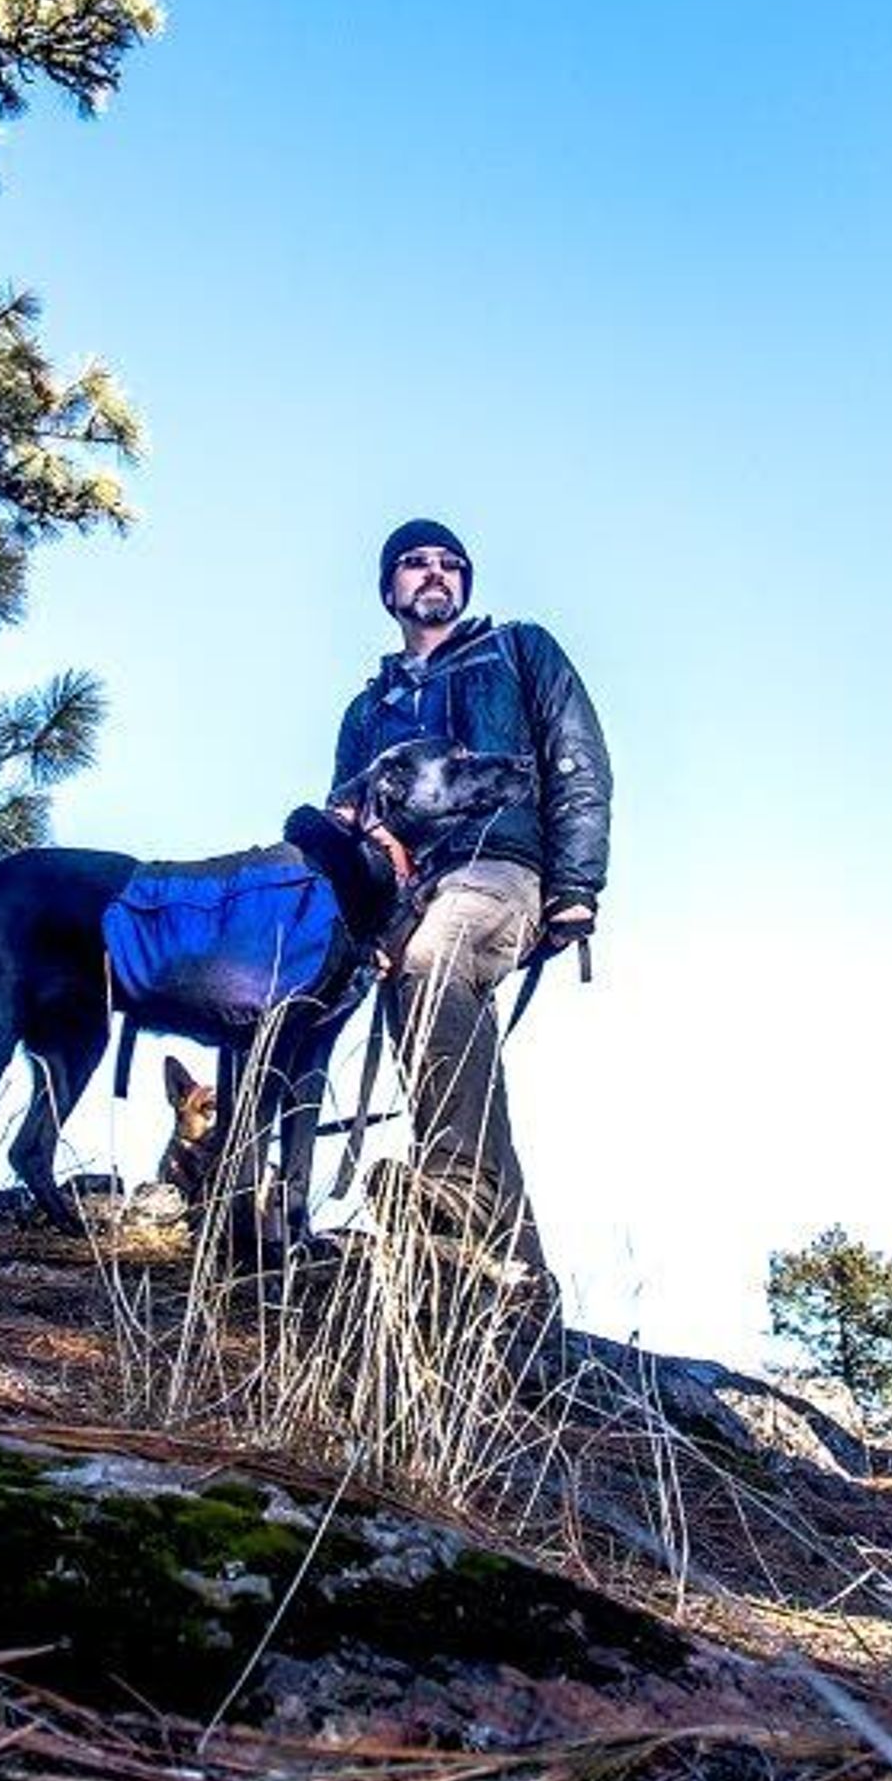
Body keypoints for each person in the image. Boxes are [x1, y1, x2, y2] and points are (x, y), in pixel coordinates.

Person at [330, 519, 610, 1293]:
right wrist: (360, 926)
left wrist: (577, 885)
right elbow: (347, 822)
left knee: (436, 964)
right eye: (415, 564)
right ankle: (511, 1274)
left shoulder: (519, 651)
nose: (435, 575)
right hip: (401, 896)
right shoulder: (366, 711)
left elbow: (578, 760)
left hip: (501, 868)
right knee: (423, 1029)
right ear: (389, 589)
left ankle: (460, 1191)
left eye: (451, 565)